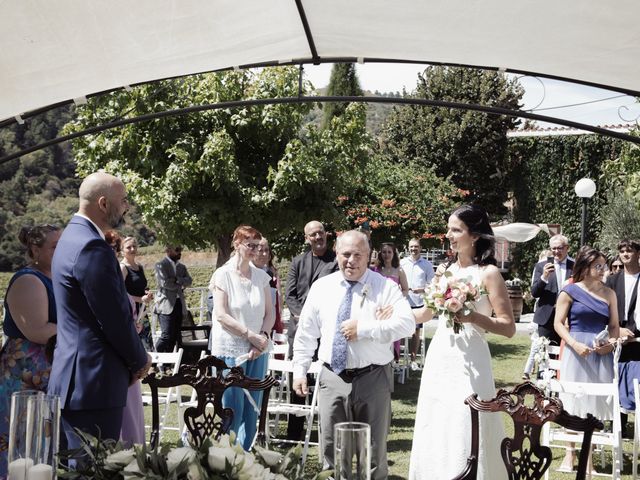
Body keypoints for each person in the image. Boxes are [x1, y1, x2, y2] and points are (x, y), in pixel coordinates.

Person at [292, 230, 415, 479]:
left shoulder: (385, 288)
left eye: (358, 254)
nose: (351, 260)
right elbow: (306, 333)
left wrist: (366, 328)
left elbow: (407, 325)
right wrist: (299, 370)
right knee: (333, 451)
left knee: (373, 452)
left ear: (369, 255)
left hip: (373, 377)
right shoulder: (321, 288)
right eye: (346, 254)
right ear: (336, 253)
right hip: (332, 377)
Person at [409, 204, 515, 480]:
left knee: (467, 421)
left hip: (472, 358)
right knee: (437, 420)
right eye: (449, 229)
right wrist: (390, 314)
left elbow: (508, 328)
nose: (449, 235)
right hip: (441, 355)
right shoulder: (443, 270)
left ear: (475, 235)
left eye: (456, 230)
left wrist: (472, 318)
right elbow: (426, 312)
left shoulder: (488, 273)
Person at [48, 172, 151, 455]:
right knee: (93, 470)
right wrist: (140, 361)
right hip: (94, 382)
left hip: (76, 380)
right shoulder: (92, 247)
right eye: (123, 200)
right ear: (104, 203)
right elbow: (113, 317)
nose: (127, 206)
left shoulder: (70, 236)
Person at [554, 246, 627, 471]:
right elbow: (557, 323)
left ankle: (588, 460)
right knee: (573, 400)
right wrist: (574, 344)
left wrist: (611, 344)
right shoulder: (570, 291)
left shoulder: (609, 293)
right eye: (598, 265)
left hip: (600, 352)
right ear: (585, 267)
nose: (603, 269)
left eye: (604, 265)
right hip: (575, 351)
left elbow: (614, 326)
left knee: (594, 404)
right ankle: (570, 453)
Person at [0, 224, 61, 477]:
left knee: (42, 446)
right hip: (24, 374)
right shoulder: (28, 279)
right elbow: (36, 330)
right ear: (35, 249)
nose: (62, 252)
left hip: (46, 371)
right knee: (21, 445)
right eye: (55, 247)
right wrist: (86, 334)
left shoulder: (55, 277)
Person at [209, 225, 274, 451]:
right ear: (237, 244)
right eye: (250, 245)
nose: (255, 250)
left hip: (257, 350)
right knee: (232, 408)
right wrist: (250, 336)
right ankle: (227, 458)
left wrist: (262, 337)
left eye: (258, 246)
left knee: (252, 409)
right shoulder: (222, 275)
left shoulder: (261, 277)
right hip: (231, 351)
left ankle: (246, 458)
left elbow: (270, 312)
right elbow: (221, 314)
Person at [284, 220, 338, 441]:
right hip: (299, 330)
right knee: (297, 380)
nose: (318, 237)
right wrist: (303, 316)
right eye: (313, 234)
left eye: (320, 233)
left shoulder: (336, 261)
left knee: (323, 381)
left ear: (326, 234)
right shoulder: (297, 262)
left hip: (326, 330)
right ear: (307, 238)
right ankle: (295, 432)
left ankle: (324, 430)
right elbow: (290, 295)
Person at [105, 231, 146, 447]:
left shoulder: (122, 289)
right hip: (117, 355)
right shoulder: (116, 274)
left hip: (129, 354)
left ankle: (135, 451)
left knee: (132, 410)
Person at [605, 240, 640, 437]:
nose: (625, 254)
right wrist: (618, 331)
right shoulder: (612, 280)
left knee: (636, 382)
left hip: (638, 340)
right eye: (622, 251)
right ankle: (618, 427)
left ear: (638, 253)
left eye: (630, 250)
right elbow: (606, 311)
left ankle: (637, 428)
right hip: (616, 337)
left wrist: (632, 333)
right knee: (616, 379)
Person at [531, 234, 574, 345]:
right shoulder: (541, 266)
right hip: (546, 318)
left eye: (559, 248)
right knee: (545, 355)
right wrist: (544, 277)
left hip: (568, 318)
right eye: (553, 248)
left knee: (565, 354)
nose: (556, 251)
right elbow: (534, 292)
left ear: (567, 248)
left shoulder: (575, 266)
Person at [400, 238, 434, 370]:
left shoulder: (427, 265)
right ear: (408, 248)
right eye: (411, 247)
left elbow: (432, 284)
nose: (413, 249)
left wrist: (422, 290)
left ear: (420, 248)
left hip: (419, 302)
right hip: (403, 301)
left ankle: (413, 360)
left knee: (415, 332)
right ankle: (398, 358)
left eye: (416, 247)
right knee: (400, 329)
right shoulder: (402, 263)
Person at [372, 242, 409, 360]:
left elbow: (405, 290)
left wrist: (396, 300)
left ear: (394, 254)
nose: (386, 255)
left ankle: (393, 359)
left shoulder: (399, 271)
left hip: (392, 308)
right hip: (377, 307)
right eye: (384, 252)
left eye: (389, 252)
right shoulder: (375, 270)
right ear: (380, 254)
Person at [154, 245, 192, 352]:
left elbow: (189, 281)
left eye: (181, 249)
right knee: (166, 335)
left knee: (175, 335)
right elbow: (165, 283)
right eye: (177, 249)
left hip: (179, 303)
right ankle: (154, 358)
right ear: (168, 250)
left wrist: (176, 279)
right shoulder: (161, 265)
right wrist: (181, 284)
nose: (180, 252)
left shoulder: (182, 267)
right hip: (166, 304)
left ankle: (168, 364)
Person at [120, 236, 154, 350]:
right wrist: (139, 299)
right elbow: (119, 292)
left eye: (134, 246)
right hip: (130, 311)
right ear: (122, 251)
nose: (132, 249)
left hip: (142, 311)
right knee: (133, 344)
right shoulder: (122, 268)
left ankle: (152, 366)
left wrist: (147, 293)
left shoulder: (139, 267)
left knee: (147, 341)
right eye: (128, 247)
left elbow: (143, 286)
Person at [252, 237, 284, 336]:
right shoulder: (246, 273)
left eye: (266, 250)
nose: (265, 254)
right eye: (260, 251)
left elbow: (276, 299)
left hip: (269, 326)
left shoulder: (269, 273)